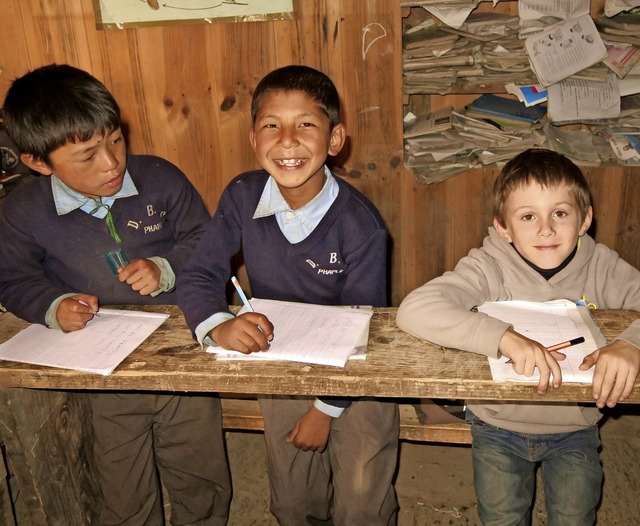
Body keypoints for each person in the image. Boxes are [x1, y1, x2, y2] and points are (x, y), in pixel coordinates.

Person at [0, 64, 231, 525]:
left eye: (115, 140)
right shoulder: (22, 212)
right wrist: (52, 306)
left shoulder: (160, 178)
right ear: (38, 162)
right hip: (100, 375)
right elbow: (12, 278)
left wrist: (166, 269)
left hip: (182, 355)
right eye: (86, 156)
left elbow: (208, 244)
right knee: (122, 487)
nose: (111, 163)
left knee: (199, 473)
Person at [178, 64, 399, 526]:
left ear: (335, 140)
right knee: (294, 498)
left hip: (356, 376)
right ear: (254, 138)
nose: (287, 140)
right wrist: (214, 325)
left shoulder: (362, 227)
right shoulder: (242, 196)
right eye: (271, 126)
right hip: (279, 357)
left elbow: (362, 328)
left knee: (362, 497)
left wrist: (324, 409)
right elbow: (199, 272)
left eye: (306, 125)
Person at [396, 148, 640, 525]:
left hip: (575, 425)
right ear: (503, 227)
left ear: (585, 219)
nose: (546, 228)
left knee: (576, 516)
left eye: (560, 213)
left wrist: (631, 344)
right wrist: (503, 337)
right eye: (528, 216)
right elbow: (416, 308)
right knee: (501, 517)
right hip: (497, 423)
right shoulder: (489, 265)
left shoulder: (603, 267)